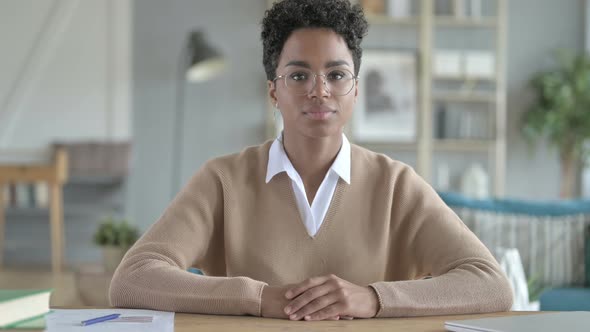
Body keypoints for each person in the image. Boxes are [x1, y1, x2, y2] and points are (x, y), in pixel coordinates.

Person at [109, 0, 512, 320]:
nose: (319, 92)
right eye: (299, 76)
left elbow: (491, 284)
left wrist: (372, 298)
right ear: (273, 92)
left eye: (336, 75)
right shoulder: (223, 180)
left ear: (356, 90)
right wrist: (260, 297)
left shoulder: (396, 185)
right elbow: (132, 279)